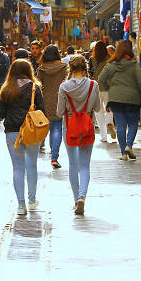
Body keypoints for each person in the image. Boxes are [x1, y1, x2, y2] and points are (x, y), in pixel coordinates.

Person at [0, 59, 45, 215]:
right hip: (31, 131)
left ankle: (20, 205)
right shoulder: (34, 88)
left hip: (12, 132)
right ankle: (32, 200)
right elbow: (42, 110)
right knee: (32, 165)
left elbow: (1, 114)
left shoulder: (6, 89)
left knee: (17, 168)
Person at [57, 56, 101, 214]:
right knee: (85, 165)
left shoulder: (64, 87)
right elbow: (97, 108)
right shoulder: (93, 85)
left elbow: (59, 111)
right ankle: (83, 196)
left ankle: (76, 200)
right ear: (85, 68)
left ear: (71, 69)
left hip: (69, 128)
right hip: (87, 128)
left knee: (72, 165)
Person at [98, 40, 141, 160]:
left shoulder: (111, 64)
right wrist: (137, 91)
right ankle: (129, 146)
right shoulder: (134, 64)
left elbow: (101, 78)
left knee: (120, 125)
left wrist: (111, 89)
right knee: (133, 123)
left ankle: (123, 154)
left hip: (115, 99)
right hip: (132, 98)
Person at [36, 45, 68, 169]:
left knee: (47, 127)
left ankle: (46, 149)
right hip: (60, 100)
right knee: (57, 128)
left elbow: (38, 86)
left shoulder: (41, 69)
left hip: (45, 101)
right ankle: (54, 157)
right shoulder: (64, 67)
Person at [90, 41, 114, 142]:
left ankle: (103, 136)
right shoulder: (109, 59)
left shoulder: (92, 60)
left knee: (98, 112)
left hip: (96, 88)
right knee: (109, 109)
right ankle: (109, 122)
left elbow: (90, 73)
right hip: (108, 88)